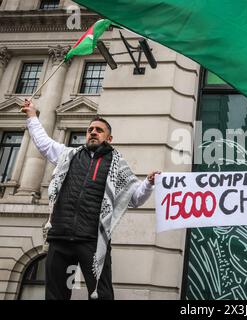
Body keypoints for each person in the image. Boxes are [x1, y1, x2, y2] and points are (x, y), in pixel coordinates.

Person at [21, 99, 160, 300]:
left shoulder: (117, 165)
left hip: (93, 240)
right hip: (60, 236)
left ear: (109, 138)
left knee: (102, 294)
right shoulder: (69, 155)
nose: (93, 132)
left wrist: (148, 183)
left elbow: (135, 198)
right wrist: (32, 116)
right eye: (90, 129)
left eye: (99, 130)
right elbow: (43, 143)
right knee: (54, 295)